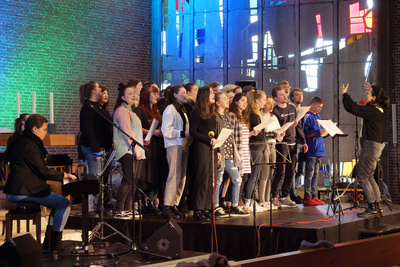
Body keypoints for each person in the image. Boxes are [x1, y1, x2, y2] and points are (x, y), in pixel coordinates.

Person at [4, 114, 76, 255]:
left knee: (57, 203)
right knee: (64, 204)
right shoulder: (29, 145)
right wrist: (64, 175)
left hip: (22, 189)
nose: (46, 132)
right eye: (44, 129)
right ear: (34, 129)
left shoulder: (25, 141)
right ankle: (56, 244)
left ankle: (49, 243)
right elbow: (42, 171)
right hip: (23, 191)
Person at [341, 82, 389, 217]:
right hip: (374, 147)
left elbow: (354, 108)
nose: (364, 94)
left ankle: (372, 206)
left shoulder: (373, 111)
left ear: (374, 98)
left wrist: (345, 94)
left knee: (362, 176)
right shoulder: (376, 109)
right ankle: (377, 205)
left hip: (370, 146)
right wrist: (373, 87)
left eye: (367, 93)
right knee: (370, 177)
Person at [113, 83, 147, 219]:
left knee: (134, 179)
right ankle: (118, 210)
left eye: (134, 93)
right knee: (128, 179)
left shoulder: (131, 111)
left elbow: (136, 131)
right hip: (127, 149)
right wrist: (136, 149)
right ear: (122, 97)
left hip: (135, 149)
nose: (133, 96)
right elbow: (127, 132)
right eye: (129, 94)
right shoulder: (122, 111)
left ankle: (128, 209)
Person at [78, 81, 113, 214]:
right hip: (94, 148)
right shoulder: (88, 107)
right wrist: (96, 150)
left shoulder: (98, 107)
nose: (101, 90)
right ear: (93, 91)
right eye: (99, 88)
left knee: (101, 179)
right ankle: (91, 210)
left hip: (103, 147)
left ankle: (99, 207)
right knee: (95, 178)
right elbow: (88, 130)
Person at [271, 86, 307, 208]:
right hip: (282, 144)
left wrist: (303, 141)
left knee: (291, 171)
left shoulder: (292, 107)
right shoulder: (275, 111)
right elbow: (275, 128)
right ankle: (273, 196)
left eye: (285, 94)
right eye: (281, 95)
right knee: (281, 171)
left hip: (293, 143)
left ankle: (285, 196)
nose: (284, 96)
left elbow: (298, 126)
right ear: (276, 98)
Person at [134, 82, 165, 215]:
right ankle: (143, 203)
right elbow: (136, 127)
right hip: (146, 144)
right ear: (147, 95)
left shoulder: (156, 110)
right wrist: (151, 132)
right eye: (154, 93)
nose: (157, 96)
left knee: (155, 175)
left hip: (156, 146)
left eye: (158, 93)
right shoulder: (139, 109)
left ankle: (152, 202)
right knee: (145, 175)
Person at [189, 86, 219, 221]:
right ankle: (198, 208)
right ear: (204, 95)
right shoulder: (197, 112)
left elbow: (214, 133)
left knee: (209, 179)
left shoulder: (213, 113)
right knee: (201, 178)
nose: (214, 95)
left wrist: (217, 150)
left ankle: (207, 207)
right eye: (211, 93)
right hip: (201, 147)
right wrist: (209, 140)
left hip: (211, 148)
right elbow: (193, 132)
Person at [161, 85, 190, 218]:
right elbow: (166, 131)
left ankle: (175, 203)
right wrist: (183, 133)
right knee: (173, 175)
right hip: (174, 145)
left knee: (181, 176)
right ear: (175, 95)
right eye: (183, 93)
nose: (186, 95)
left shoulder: (182, 110)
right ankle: (167, 205)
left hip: (183, 145)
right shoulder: (170, 109)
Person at [214, 92, 242, 217]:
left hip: (229, 153)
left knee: (237, 179)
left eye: (227, 98)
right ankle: (215, 206)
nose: (227, 100)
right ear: (217, 102)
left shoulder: (226, 116)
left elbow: (231, 136)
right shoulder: (214, 116)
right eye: (224, 99)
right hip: (220, 152)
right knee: (218, 180)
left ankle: (234, 206)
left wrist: (235, 152)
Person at [227, 93, 252, 216]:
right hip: (237, 149)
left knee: (244, 176)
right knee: (236, 177)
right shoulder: (231, 115)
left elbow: (243, 134)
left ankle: (237, 202)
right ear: (235, 101)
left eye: (246, 101)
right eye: (242, 100)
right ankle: (231, 203)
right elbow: (230, 134)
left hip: (245, 148)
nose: (244, 103)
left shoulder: (243, 116)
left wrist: (252, 133)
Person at [259, 96, 283, 210]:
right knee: (264, 174)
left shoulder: (274, 117)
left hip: (273, 144)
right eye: (268, 103)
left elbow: (278, 132)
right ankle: (262, 200)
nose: (271, 106)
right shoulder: (260, 116)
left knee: (270, 174)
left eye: (272, 103)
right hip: (264, 145)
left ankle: (268, 199)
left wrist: (280, 133)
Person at [243, 90, 265, 210]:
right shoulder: (254, 114)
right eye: (263, 100)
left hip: (256, 146)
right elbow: (257, 135)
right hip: (255, 147)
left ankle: (249, 200)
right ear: (256, 100)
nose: (265, 102)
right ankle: (248, 201)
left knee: (254, 175)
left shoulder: (255, 113)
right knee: (253, 175)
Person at [302, 96, 326, 206]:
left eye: (321, 107)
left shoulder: (319, 117)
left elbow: (319, 132)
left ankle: (313, 194)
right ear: (312, 104)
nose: (319, 109)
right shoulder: (307, 116)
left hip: (319, 148)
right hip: (311, 147)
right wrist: (318, 132)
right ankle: (307, 196)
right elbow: (304, 132)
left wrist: (325, 132)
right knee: (310, 173)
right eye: (318, 106)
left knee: (316, 173)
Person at [290, 88, 305, 204]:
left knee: (300, 170)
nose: (300, 97)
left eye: (301, 95)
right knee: (292, 170)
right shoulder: (291, 109)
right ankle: (291, 193)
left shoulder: (304, 111)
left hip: (301, 143)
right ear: (292, 97)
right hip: (292, 142)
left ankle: (295, 191)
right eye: (297, 95)